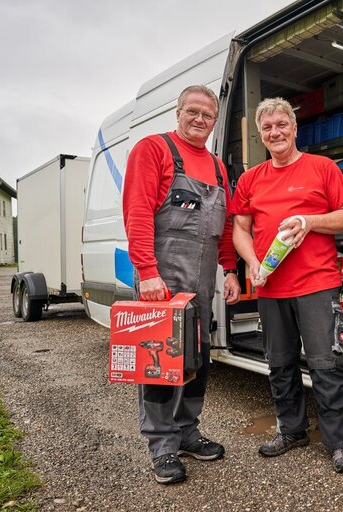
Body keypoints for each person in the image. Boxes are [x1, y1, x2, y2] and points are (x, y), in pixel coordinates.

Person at [230, 97, 343, 473]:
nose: (275, 132)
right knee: (280, 365)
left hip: (316, 285)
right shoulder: (251, 179)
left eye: (281, 124)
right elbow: (240, 229)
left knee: (325, 364)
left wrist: (309, 221)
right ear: (260, 134)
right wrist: (253, 264)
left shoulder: (322, 168)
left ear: (294, 127)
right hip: (271, 289)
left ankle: (341, 443)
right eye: (267, 128)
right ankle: (292, 430)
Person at [123, 85, 241, 484]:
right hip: (162, 278)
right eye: (192, 111)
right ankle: (161, 446)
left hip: (201, 284)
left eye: (207, 115)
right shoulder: (153, 149)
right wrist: (147, 271)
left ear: (214, 121)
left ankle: (187, 432)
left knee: (197, 358)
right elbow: (137, 212)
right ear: (178, 113)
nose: (200, 120)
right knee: (159, 362)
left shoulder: (218, 168)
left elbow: (224, 228)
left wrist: (229, 269)